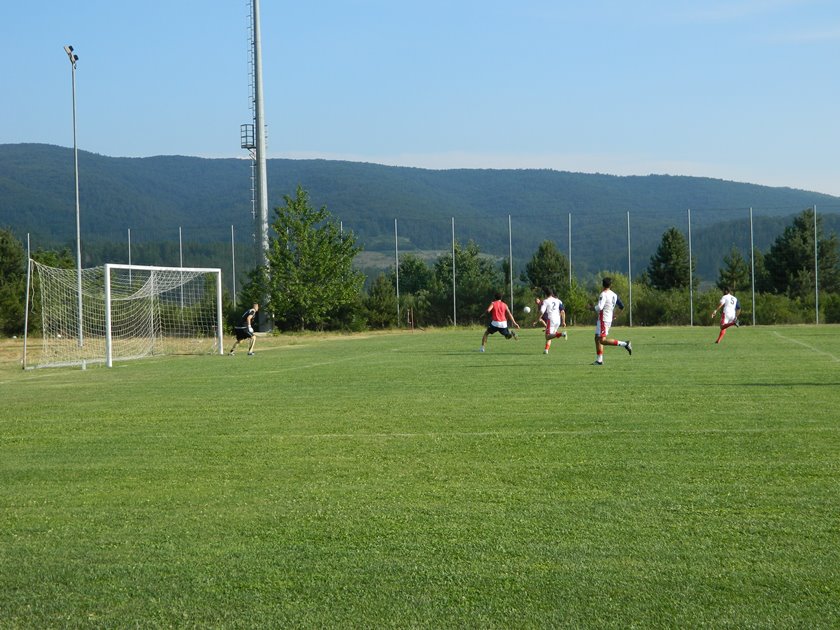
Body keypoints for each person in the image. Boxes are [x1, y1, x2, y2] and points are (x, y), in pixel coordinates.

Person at [589, 277, 631, 365]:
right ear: (611, 285)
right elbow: (621, 306)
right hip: (605, 319)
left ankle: (625, 344)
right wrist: (615, 314)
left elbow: (600, 307)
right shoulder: (614, 295)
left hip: (603, 319)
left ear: (602, 285)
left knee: (602, 340)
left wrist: (591, 308)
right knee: (597, 338)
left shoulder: (603, 294)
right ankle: (599, 360)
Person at [539, 288, 567, 354]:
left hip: (551, 320)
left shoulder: (546, 301)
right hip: (558, 320)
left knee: (547, 336)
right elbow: (562, 311)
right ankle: (546, 350)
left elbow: (541, 311)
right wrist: (563, 321)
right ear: (552, 294)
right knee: (551, 335)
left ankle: (561, 334)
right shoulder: (558, 301)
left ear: (545, 294)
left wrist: (538, 318)